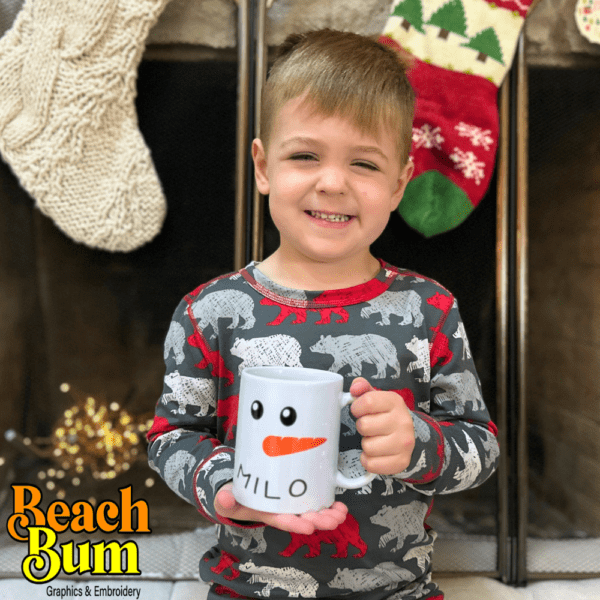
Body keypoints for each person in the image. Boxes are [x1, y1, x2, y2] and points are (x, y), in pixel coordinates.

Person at [147, 29, 500, 600]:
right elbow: (171, 438)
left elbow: (481, 448)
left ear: (399, 183)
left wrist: (420, 445)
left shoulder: (429, 310)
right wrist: (224, 487)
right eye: (305, 155)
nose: (332, 182)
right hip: (249, 591)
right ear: (263, 166)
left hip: (399, 593)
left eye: (364, 163)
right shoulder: (208, 312)